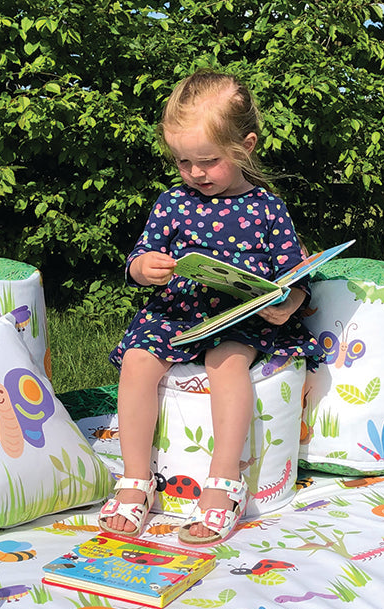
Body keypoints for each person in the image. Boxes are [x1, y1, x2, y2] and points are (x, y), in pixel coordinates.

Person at [99, 70, 324, 545]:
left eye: (209, 161)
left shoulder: (267, 208)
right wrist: (146, 269)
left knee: (226, 363)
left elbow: (296, 276)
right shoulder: (172, 202)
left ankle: (223, 484)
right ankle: (136, 478)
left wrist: (290, 303)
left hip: (240, 321)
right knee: (138, 361)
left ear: (245, 145)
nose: (196, 173)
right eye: (184, 162)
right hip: (176, 314)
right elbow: (137, 260)